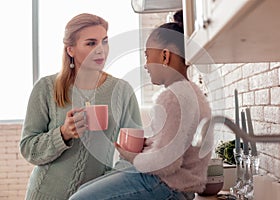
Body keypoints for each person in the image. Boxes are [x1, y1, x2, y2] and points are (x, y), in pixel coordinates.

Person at [69, 10, 212, 200]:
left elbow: (166, 164)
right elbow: (175, 145)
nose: (145, 65)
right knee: (82, 191)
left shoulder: (173, 97)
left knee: (78, 199)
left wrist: (131, 156)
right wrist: (149, 145)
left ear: (164, 57)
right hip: (179, 186)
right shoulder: (191, 92)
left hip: (167, 186)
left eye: (147, 56)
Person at [20, 13, 142, 200]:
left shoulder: (122, 91)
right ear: (71, 50)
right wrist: (63, 133)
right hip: (46, 194)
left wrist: (109, 184)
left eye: (105, 41)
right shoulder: (46, 88)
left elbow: (133, 151)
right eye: (91, 43)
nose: (101, 50)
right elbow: (29, 149)